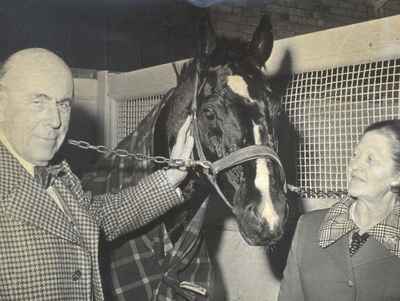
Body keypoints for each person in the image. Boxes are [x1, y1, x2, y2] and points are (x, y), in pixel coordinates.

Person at [0, 48, 194, 300]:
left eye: (63, 104)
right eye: (38, 101)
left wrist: (173, 175)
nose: (56, 120)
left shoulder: (55, 175)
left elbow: (101, 217)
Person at [278, 119, 400, 301]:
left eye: (370, 159)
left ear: (397, 177)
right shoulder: (307, 227)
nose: (354, 166)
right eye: (355, 155)